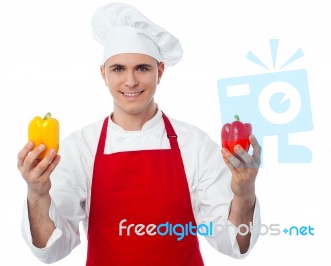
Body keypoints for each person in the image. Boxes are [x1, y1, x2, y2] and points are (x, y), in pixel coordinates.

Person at [17, 2, 261, 265]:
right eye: (118, 68)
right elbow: (51, 248)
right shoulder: (80, 147)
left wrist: (244, 193)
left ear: (160, 72)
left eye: (142, 68)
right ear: (104, 74)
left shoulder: (195, 144)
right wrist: (37, 193)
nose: (130, 81)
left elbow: (234, 242)